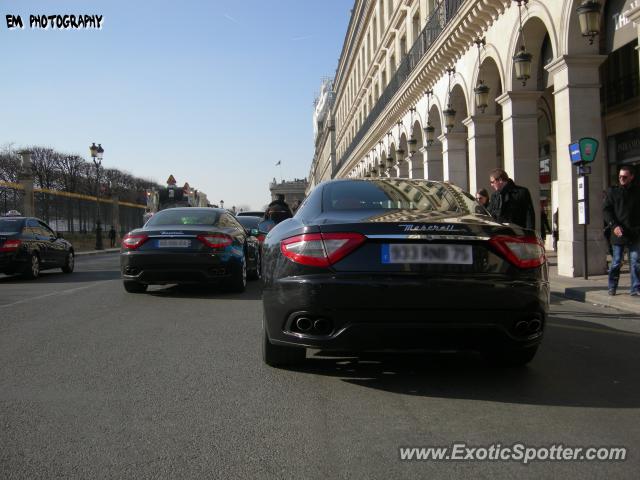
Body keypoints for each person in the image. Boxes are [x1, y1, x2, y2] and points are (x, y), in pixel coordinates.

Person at [603, 165, 640, 296]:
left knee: (635, 261)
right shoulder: (613, 192)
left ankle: (635, 288)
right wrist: (614, 226)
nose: (622, 179)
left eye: (625, 177)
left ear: (631, 177)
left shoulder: (637, 192)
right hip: (618, 232)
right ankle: (612, 287)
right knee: (616, 262)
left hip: (635, 232)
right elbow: (606, 211)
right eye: (620, 177)